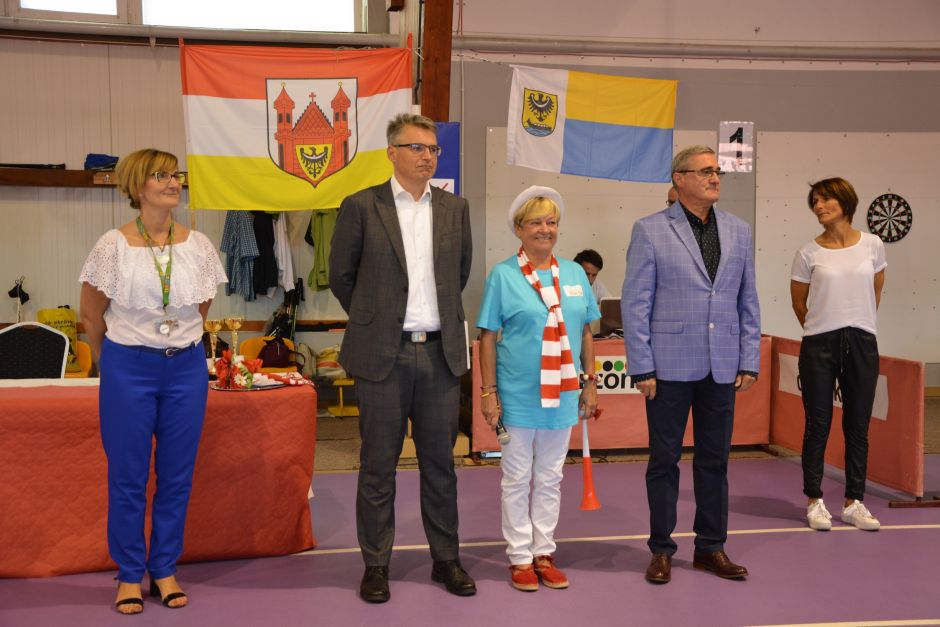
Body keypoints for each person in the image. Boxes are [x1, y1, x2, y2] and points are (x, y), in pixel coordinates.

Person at [329, 113, 475, 603]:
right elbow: (341, 276)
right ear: (392, 153)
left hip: (439, 354)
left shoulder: (455, 208)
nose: (427, 156)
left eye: (433, 149)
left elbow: (459, 274)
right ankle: (376, 565)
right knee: (377, 467)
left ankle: (446, 559)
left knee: (441, 466)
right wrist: (376, 319)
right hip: (382, 355)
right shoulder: (360, 206)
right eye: (417, 147)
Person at [79, 149, 227, 614]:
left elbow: (200, 306)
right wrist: (112, 364)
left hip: (185, 367)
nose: (172, 182)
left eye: (175, 174)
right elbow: (90, 314)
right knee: (128, 477)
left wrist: (176, 343)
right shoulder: (112, 246)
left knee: (177, 476)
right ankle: (128, 573)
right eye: (160, 175)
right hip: (128, 367)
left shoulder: (198, 245)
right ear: (137, 186)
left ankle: (164, 568)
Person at [622, 145, 761, 584]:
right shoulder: (649, 230)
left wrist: (749, 358)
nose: (714, 177)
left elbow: (748, 300)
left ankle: (711, 547)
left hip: (723, 366)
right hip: (667, 367)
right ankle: (661, 549)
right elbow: (635, 304)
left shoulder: (739, 231)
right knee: (664, 460)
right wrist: (642, 366)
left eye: (717, 171)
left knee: (715, 460)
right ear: (679, 179)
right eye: (704, 171)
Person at [478, 186, 600, 592]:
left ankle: (543, 552)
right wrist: (489, 393)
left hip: (563, 393)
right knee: (516, 478)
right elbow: (488, 337)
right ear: (519, 229)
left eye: (551, 222)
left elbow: (586, 332)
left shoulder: (576, 274)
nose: (545, 229)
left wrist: (590, 383)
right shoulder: (503, 275)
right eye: (536, 222)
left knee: (550, 477)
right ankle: (519, 556)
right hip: (517, 394)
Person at [790, 177, 886, 532]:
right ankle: (814, 501)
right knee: (818, 425)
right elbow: (799, 303)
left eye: (825, 199)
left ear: (845, 201)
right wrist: (823, 327)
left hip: (862, 342)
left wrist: (857, 323)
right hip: (818, 344)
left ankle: (853, 502)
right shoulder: (808, 252)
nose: (818, 206)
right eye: (814, 201)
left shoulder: (873, 245)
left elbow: (875, 292)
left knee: (858, 426)